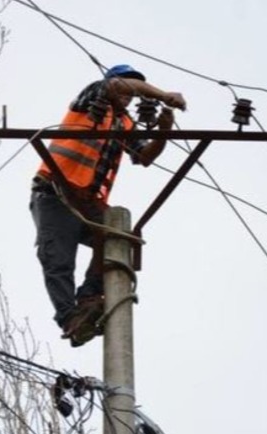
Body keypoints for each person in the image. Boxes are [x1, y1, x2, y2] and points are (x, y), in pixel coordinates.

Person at [30, 64, 187, 347]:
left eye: (134, 91)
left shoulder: (125, 123)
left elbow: (144, 157)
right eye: (128, 86)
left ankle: (89, 297)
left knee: (119, 243)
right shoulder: (93, 97)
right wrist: (164, 95)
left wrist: (163, 131)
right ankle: (71, 319)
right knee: (58, 260)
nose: (129, 95)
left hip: (89, 203)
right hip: (55, 192)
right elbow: (116, 87)